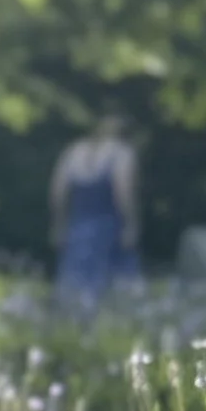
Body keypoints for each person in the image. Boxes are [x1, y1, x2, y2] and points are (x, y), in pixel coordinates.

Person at [50, 119, 141, 304]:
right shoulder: (122, 153)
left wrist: (58, 224)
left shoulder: (73, 151)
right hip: (109, 225)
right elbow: (123, 192)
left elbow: (57, 192)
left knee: (73, 286)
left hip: (77, 226)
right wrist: (131, 224)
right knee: (115, 288)